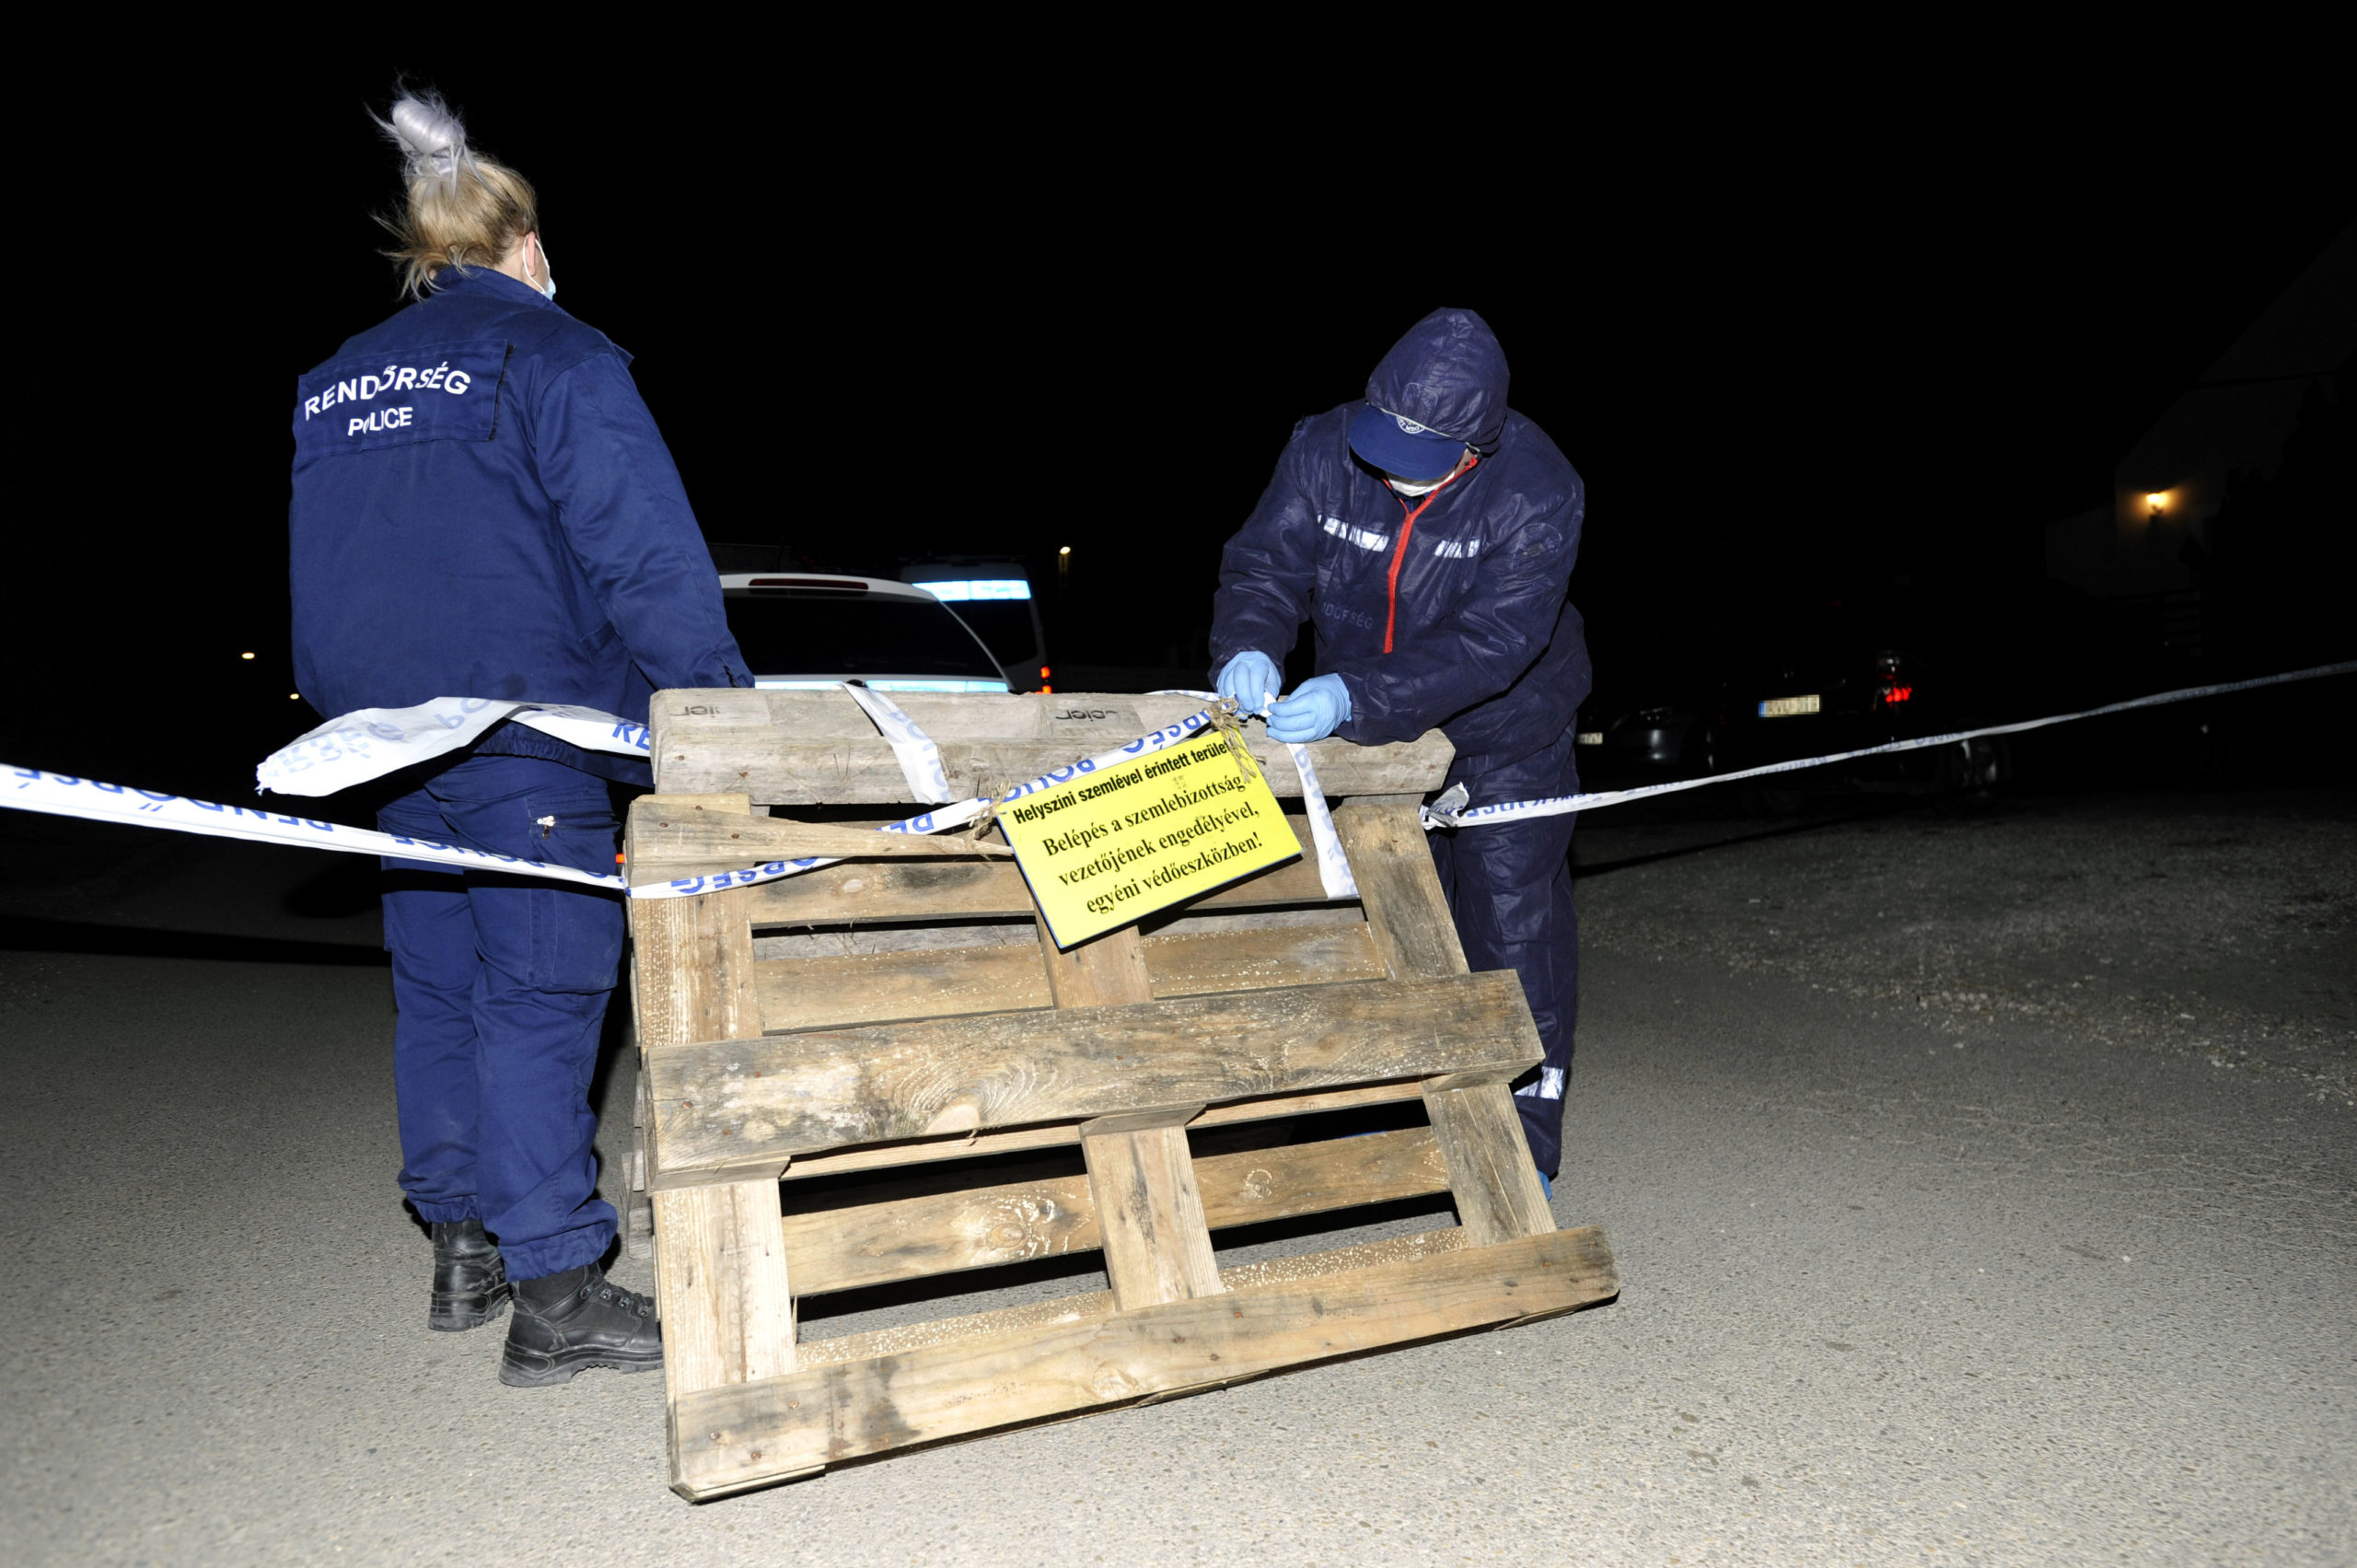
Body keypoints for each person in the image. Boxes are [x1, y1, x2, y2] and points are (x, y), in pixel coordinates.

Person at [287, 93, 748, 1387]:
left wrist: (355, 714)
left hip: (385, 744)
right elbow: (643, 552)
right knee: (541, 992)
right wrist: (714, 705)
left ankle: (461, 1245)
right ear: (527, 243)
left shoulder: (337, 380)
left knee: (437, 989)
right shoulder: (559, 354)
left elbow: (328, 573)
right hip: (528, 731)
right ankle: (556, 1285)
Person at [1209, 308, 1589, 1182]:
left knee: (1508, 921)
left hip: (1504, 729)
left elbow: (1496, 641)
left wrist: (1356, 694)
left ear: (1476, 448)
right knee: (1371, 918)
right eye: (1383, 451)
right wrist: (1250, 648)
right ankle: (1373, 1139)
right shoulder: (1323, 445)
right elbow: (1265, 567)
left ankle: (1517, 1153)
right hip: (1370, 739)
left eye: (1422, 467)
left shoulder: (1540, 488)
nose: (1393, 478)